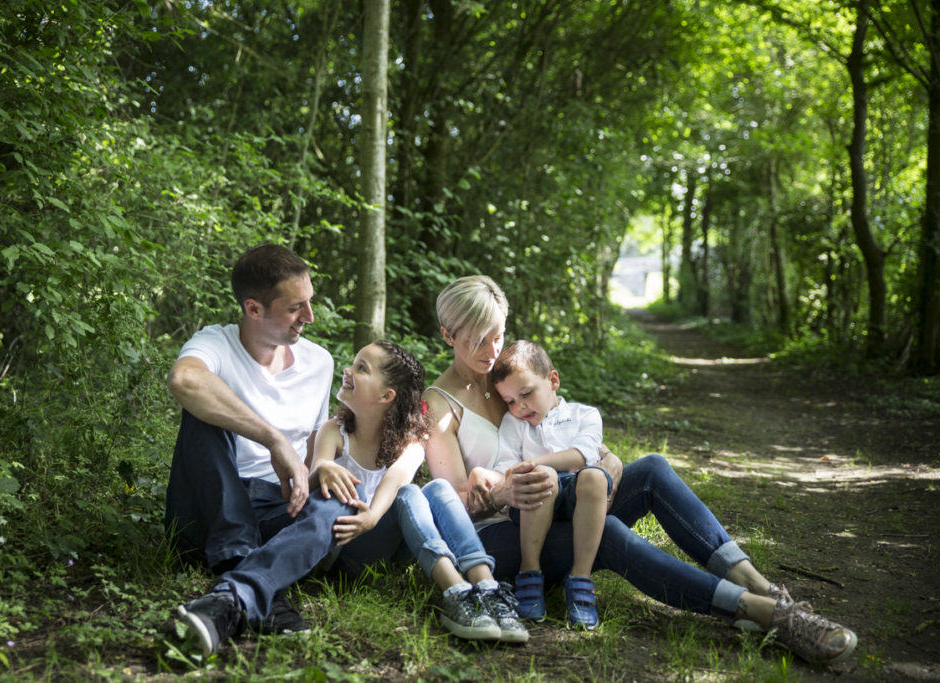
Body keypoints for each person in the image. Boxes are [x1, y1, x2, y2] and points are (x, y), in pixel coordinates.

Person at [422, 275, 858, 666]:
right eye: (479, 339)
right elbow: (452, 504)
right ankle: (758, 613)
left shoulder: (505, 379)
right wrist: (504, 493)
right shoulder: (439, 405)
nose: (491, 349)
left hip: (559, 497)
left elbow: (567, 437)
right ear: (447, 334)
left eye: (497, 335)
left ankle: (763, 587)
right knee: (608, 532)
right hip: (500, 535)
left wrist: (606, 461)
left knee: (650, 469)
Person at [165, 244, 349, 657]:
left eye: (310, 303)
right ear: (253, 309)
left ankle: (231, 598)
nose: (310, 317)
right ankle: (251, 575)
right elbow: (184, 381)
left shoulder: (318, 362)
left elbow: (318, 444)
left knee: (342, 505)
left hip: (274, 509)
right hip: (205, 513)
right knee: (203, 414)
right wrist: (274, 439)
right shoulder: (215, 343)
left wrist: (317, 470)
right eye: (295, 308)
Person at [311, 340, 526, 643]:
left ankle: (487, 588)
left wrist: (374, 515)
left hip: (386, 537)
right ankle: (455, 592)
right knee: (409, 494)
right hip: (348, 546)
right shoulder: (334, 430)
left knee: (435, 488)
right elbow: (316, 473)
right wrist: (324, 470)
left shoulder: (410, 440)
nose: (347, 371)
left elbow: (398, 476)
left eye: (361, 368)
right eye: (354, 363)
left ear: (387, 395)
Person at [485, 339, 615, 630]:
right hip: (534, 501)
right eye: (510, 401)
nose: (520, 406)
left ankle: (581, 579)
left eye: (527, 394)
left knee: (594, 476)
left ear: (553, 380)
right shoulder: (513, 423)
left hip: (577, 494)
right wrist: (526, 472)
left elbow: (582, 456)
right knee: (543, 476)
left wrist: (536, 462)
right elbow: (505, 467)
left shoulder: (585, 415)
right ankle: (529, 572)